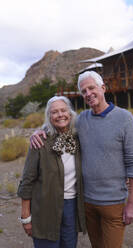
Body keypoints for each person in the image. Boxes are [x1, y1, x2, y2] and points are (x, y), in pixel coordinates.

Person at [30, 71, 133, 248]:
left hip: (113, 204)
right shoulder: (81, 120)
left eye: (92, 88)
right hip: (86, 203)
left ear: (103, 88)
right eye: (84, 91)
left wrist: (132, 204)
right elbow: (59, 123)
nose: (88, 94)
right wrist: (38, 131)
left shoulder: (124, 118)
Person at [17, 96, 86, 248]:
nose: (60, 115)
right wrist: (25, 216)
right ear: (49, 117)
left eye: (63, 110)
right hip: (45, 208)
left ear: (70, 113)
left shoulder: (79, 138)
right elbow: (27, 180)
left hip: (71, 206)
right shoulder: (40, 141)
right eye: (54, 112)